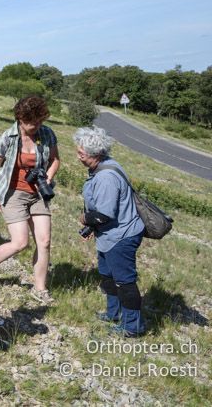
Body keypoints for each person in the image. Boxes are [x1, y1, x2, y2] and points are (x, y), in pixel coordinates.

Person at [0, 96, 60, 305]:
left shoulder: (46, 134)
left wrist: (48, 178)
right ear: (20, 118)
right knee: (20, 242)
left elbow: (55, 160)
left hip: (39, 193)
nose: (36, 126)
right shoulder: (7, 138)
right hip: (13, 192)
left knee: (44, 241)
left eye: (39, 122)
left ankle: (40, 288)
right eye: (31, 123)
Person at [74, 126, 146, 337]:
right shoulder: (103, 166)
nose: (77, 156)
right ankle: (113, 313)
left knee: (124, 281)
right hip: (108, 235)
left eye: (81, 153)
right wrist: (91, 228)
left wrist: (86, 219)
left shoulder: (106, 177)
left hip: (121, 236)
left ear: (95, 154)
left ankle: (133, 327)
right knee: (107, 275)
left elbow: (104, 214)